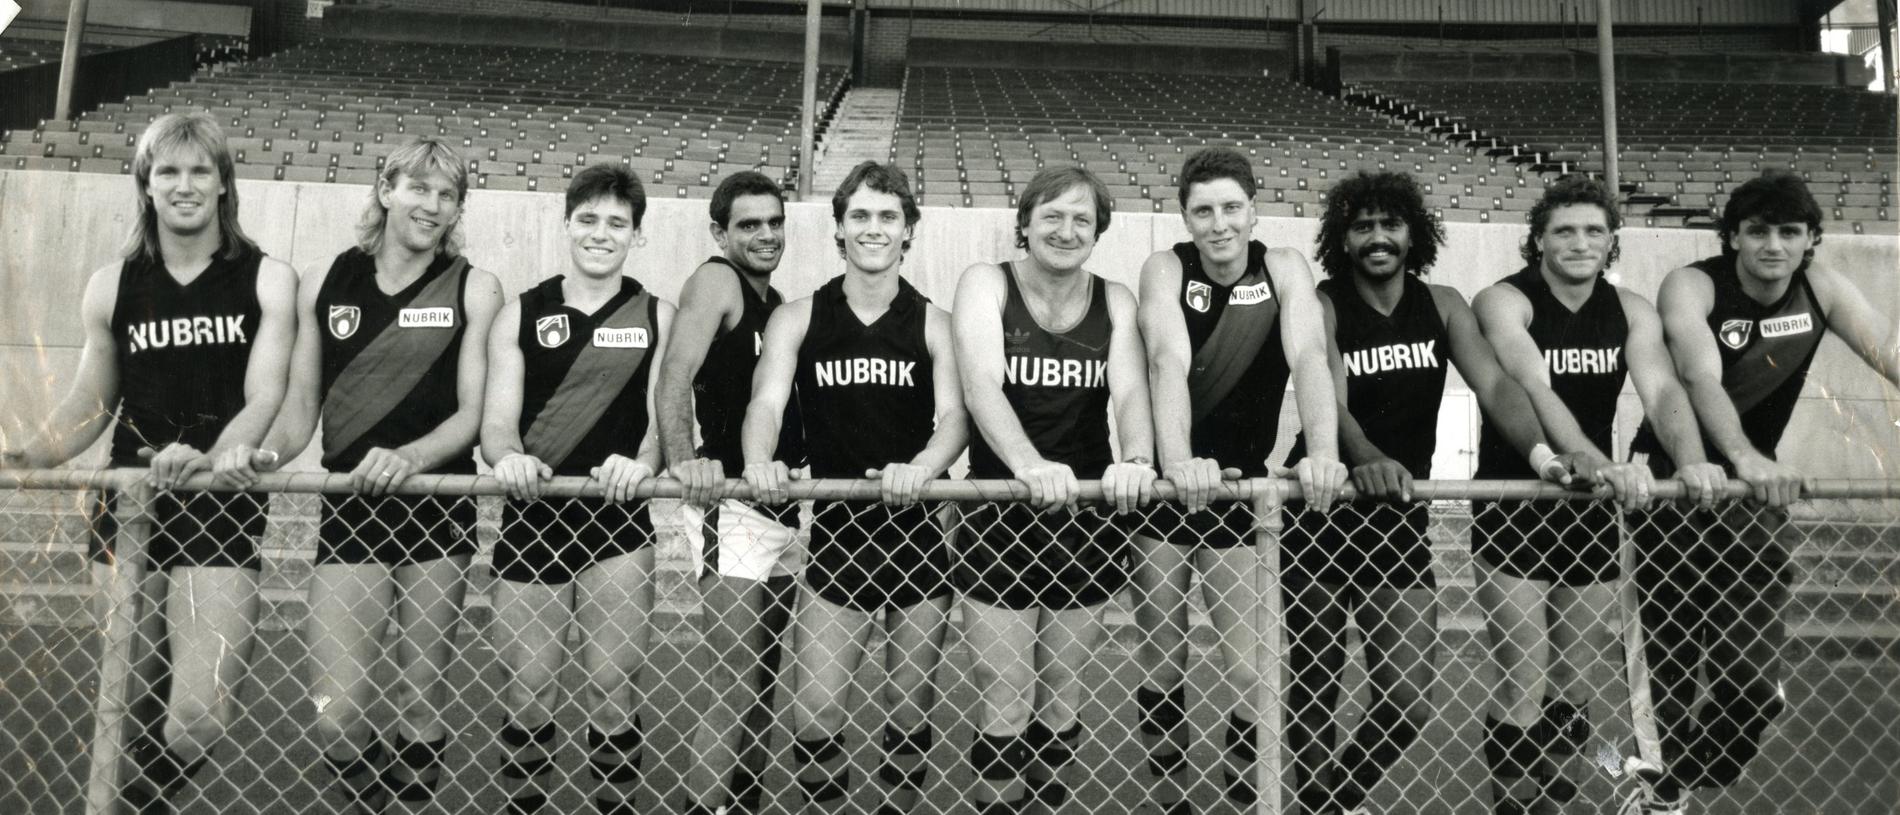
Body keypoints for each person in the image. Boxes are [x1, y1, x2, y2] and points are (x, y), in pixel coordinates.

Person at [0, 111, 296, 811]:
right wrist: (26, 449)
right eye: (168, 171)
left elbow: (266, 395)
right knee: (128, 690)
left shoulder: (267, 278)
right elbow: (90, 401)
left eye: (201, 171)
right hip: (129, 500)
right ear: (145, 183)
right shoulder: (113, 284)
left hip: (220, 498)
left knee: (197, 714)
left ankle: (135, 801)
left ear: (225, 184)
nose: (185, 185)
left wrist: (212, 456)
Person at [1282, 171, 1571, 815]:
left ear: (1414, 233)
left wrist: (1543, 454)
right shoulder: (1324, 304)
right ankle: (1314, 806)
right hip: (1328, 503)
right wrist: (1366, 458)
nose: (1377, 237)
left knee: (1410, 697)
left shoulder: (1442, 303)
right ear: (1342, 238)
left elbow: (1495, 387)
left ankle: (1337, 795)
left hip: (1397, 513)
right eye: (1362, 227)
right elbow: (1327, 393)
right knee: (1317, 677)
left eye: (1391, 225)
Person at [1621, 172, 1900, 815]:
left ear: (1809, 241)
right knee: (1667, 656)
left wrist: (1750, 465)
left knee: (1755, 689)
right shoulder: (1693, 284)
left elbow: (1887, 348)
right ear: (1734, 238)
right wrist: (1741, 454)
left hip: (1752, 489)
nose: (1774, 246)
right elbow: (1697, 375)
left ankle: (1665, 779)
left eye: (1790, 233)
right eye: (1758, 232)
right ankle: (1656, 799)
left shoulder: (1820, 286)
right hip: (1672, 475)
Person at [250, 136, 502, 812]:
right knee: (336, 714)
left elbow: (475, 414)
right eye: (419, 188)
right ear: (386, 190)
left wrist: (411, 457)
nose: (433, 205)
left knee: (420, 707)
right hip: (350, 509)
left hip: (437, 506)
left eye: (448, 195)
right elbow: (301, 407)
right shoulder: (331, 279)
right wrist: (261, 458)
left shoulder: (475, 287)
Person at [1470, 175, 1722, 815]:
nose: (1580, 242)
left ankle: (1555, 800)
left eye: (1594, 230)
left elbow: (1664, 393)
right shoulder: (1505, 301)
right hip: (1517, 502)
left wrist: (1692, 464)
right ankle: (1516, 805)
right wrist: (1583, 454)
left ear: (1612, 240)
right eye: (1564, 230)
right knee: (1523, 675)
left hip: (1591, 510)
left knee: (1575, 680)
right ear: (1538, 239)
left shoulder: (1632, 309)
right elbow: (1533, 384)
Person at [741, 161, 966, 814]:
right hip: (838, 538)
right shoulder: (802, 318)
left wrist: (922, 465)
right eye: (860, 216)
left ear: (908, 231)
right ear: (838, 229)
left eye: (888, 216)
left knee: (906, 713)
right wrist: (759, 458)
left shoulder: (933, 321)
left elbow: (954, 417)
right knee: (813, 713)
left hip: (918, 536)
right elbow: (766, 403)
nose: (874, 228)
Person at [1128, 146, 1347, 814]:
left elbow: (1310, 355)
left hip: (1242, 494)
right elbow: (1167, 359)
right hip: (1170, 493)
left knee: (1253, 673)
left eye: (1231, 207)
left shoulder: (1282, 267)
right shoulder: (1167, 266)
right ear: (1185, 217)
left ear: (1254, 208)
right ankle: (1170, 799)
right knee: (1164, 664)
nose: (1218, 223)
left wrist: (1324, 451)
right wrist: (1178, 460)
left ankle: (1245, 794)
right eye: (1203, 210)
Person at [950, 165, 1156, 814]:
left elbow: (1128, 392)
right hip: (999, 510)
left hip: (1084, 519)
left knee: (1062, 688)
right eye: (1053, 216)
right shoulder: (986, 282)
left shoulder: (1115, 299)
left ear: (1098, 232)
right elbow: (982, 383)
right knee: (1003, 684)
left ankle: (1047, 804)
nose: (1066, 231)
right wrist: (1027, 464)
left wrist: (1140, 456)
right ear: (1026, 222)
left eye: (1082, 220)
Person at [478, 165, 673, 814]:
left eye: (617, 222)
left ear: (636, 236)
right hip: (531, 518)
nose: (600, 233)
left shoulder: (657, 314)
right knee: (528, 692)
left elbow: (664, 422)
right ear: (566, 224)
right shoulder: (522, 312)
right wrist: (507, 459)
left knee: (611, 691)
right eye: (588, 219)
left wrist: (644, 462)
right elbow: (497, 424)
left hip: (618, 527)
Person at [657, 170, 805, 815]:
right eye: (750, 224)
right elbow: (674, 377)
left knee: (763, 677)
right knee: (732, 679)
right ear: (721, 232)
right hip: (733, 505)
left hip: (783, 502)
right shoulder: (717, 280)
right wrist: (685, 463)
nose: (766, 234)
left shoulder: (779, 305)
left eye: (775, 222)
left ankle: (737, 804)